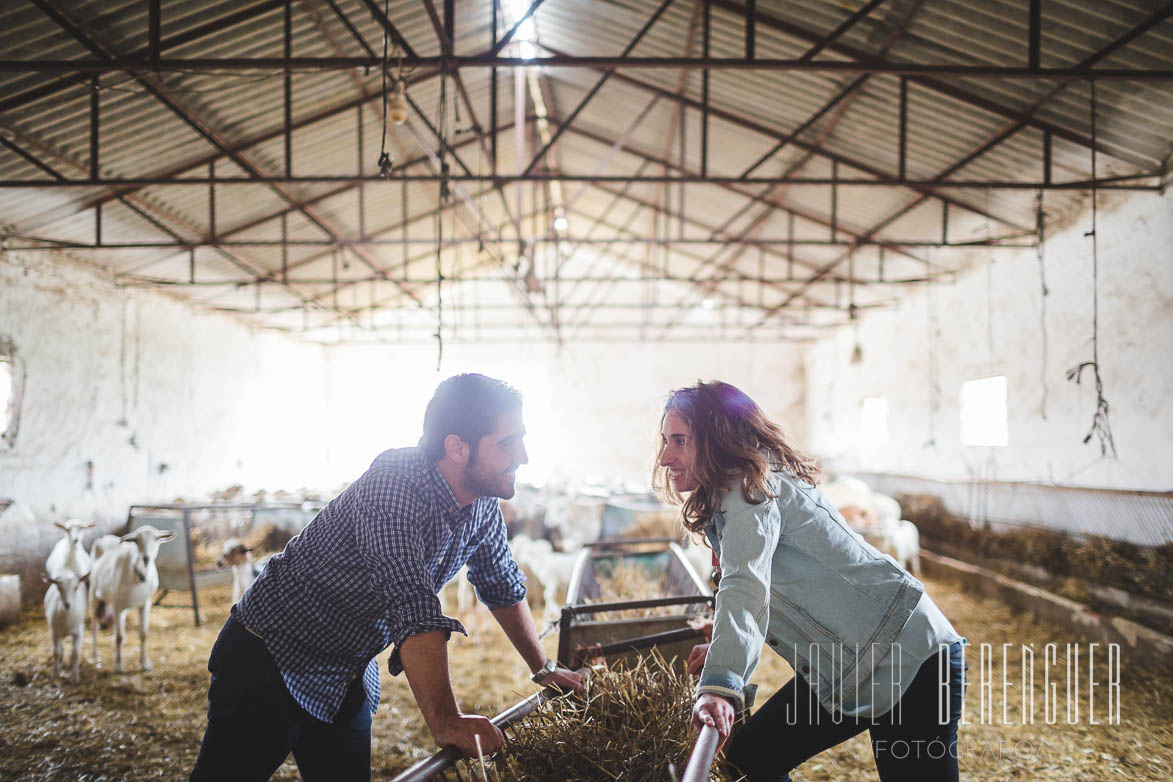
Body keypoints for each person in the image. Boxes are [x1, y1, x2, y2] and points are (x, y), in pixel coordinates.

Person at [190, 373, 584, 781]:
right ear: (456, 447)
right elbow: (412, 607)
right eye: (506, 443)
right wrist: (445, 720)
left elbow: (500, 581)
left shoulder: (481, 504)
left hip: (346, 671)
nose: (523, 455)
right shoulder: (395, 486)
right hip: (271, 657)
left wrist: (543, 669)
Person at [655, 380, 965, 782]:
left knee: (752, 759)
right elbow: (768, 584)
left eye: (679, 440)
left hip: (909, 656)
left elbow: (744, 583)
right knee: (750, 759)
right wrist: (723, 639)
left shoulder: (749, 489)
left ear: (717, 439)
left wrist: (719, 683)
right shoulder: (740, 488)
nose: (665, 456)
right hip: (850, 660)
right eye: (665, 440)